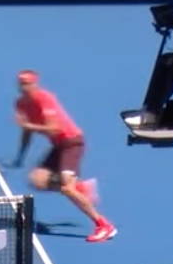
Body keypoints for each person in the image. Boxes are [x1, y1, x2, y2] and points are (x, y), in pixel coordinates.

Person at [13, 71, 116, 243]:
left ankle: (104, 225)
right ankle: (82, 188)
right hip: (59, 145)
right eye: (21, 83)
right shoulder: (21, 104)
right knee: (37, 180)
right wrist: (20, 156)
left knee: (67, 189)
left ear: (34, 84)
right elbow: (26, 132)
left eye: (27, 83)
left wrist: (29, 125)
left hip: (72, 142)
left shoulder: (44, 98)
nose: (24, 87)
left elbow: (53, 128)